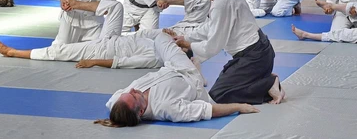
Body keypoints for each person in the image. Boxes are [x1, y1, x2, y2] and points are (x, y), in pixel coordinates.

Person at [173, 0, 286, 105]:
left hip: (255, 58)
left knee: (218, 95)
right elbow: (210, 26)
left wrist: (188, 45)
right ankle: (261, 78)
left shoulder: (221, 4)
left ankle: (268, 84)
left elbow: (212, 47)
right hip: (258, 54)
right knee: (224, 88)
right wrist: (187, 37)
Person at [94, 32, 260, 127]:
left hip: (170, 66)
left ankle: (189, 58)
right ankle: (196, 69)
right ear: (142, 112)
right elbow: (209, 110)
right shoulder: (167, 108)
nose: (131, 90)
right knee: (228, 90)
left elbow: (115, 107)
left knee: (160, 38)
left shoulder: (118, 101)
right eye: (135, 96)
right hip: (190, 77)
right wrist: (239, 107)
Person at [0, 0, 162, 69]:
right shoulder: (166, 40)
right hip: (116, 37)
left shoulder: (158, 58)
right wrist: (163, 32)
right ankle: (75, 4)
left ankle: (13, 52)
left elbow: (124, 62)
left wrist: (94, 61)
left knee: (60, 51)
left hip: (104, 50)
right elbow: (145, 33)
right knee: (116, 6)